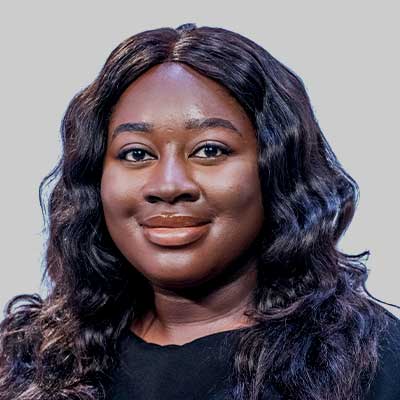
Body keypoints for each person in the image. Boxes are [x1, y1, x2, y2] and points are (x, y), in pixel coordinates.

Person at [0, 23, 399, 400]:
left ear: (276, 171)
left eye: (210, 150)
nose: (169, 185)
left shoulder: (375, 364)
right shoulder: (27, 362)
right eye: (136, 154)